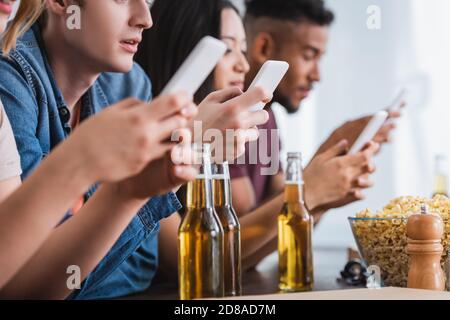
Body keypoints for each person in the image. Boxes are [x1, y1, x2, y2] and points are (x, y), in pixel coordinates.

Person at [0, 0, 270, 299]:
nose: (145, 18)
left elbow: (141, 264)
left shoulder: (129, 84)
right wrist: (186, 145)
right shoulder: (10, 81)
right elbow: (33, 282)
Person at [135, 0, 382, 282]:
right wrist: (311, 190)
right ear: (185, 54)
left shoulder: (259, 125)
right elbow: (187, 262)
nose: (243, 63)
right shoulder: (154, 139)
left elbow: (275, 230)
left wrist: (322, 193)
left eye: (242, 48)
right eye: (228, 49)